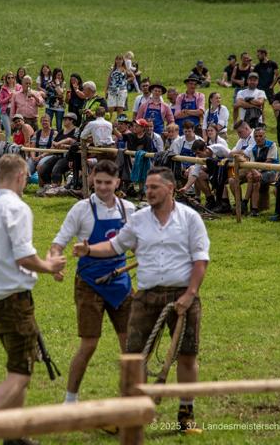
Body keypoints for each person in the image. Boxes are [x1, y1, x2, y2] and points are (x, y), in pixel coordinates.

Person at [72, 166, 209, 432]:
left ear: (170, 188)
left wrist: (190, 294)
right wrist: (89, 249)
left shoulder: (190, 219)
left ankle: (186, 414)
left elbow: (200, 259)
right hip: (146, 296)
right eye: (147, 187)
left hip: (183, 294)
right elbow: (115, 246)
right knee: (134, 357)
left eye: (154, 187)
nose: (148, 192)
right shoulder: (138, 219)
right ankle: (131, 413)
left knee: (187, 355)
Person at [0, 154, 66, 444]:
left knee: (18, 364)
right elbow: (24, 256)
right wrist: (49, 266)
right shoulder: (18, 208)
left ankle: (15, 434)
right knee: (20, 373)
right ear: (21, 176)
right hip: (13, 300)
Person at [49, 160, 135, 404]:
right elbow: (58, 243)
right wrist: (54, 262)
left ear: (118, 182)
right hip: (89, 283)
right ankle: (70, 401)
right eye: (98, 182)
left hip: (121, 282)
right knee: (89, 344)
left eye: (108, 183)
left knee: (130, 346)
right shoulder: (81, 209)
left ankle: (130, 400)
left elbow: (138, 244)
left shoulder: (129, 210)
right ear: (91, 180)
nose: (103, 187)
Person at [235, 127, 279, 217]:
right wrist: (255, 171)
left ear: (265, 136)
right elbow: (252, 163)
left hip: (272, 171)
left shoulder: (272, 145)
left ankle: (245, 202)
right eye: (256, 136)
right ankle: (253, 209)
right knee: (253, 179)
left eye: (260, 136)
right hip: (257, 172)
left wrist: (256, 171)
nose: (258, 138)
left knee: (253, 177)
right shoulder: (253, 148)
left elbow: (269, 162)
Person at [180, 139, 230, 209]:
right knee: (200, 174)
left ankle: (225, 202)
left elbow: (231, 157)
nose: (197, 155)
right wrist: (186, 187)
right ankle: (210, 200)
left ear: (204, 148)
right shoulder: (199, 157)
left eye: (198, 153)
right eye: (196, 153)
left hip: (227, 172)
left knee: (219, 178)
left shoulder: (219, 148)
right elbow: (195, 174)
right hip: (215, 174)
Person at [37, 112, 78, 188]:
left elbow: (74, 143)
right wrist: (57, 145)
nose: (63, 121)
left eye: (65, 119)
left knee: (57, 168)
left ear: (72, 120)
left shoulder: (76, 130)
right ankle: (47, 186)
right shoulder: (62, 131)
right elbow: (54, 142)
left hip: (69, 157)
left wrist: (63, 145)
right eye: (63, 119)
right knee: (43, 168)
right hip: (58, 155)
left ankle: (56, 187)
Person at [105, 55, 134, 120]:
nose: (119, 61)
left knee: (120, 108)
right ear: (115, 60)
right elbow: (108, 80)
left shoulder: (125, 69)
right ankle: (108, 123)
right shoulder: (113, 69)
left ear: (123, 61)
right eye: (117, 59)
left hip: (122, 91)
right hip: (112, 90)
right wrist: (106, 90)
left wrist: (126, 81)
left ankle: (119, 123)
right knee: (110, 108)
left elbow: (133, 76)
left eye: (120, 59)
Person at [0, 72, 22, 140]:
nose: (10, 79)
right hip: (5, 111)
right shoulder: (3, 89)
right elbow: (0, 101)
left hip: (16, 111)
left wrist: (14, 97)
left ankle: (16, 143)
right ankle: (7, 144)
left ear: (14, 78)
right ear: (6, 79)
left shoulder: (19, 87)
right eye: (8, 78)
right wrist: (8, 98)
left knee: (18, 130)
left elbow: (21, 97)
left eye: (12, 77)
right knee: (8, 131)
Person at [44, 68, 66, 133]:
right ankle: (48, 136)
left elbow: (60, 93)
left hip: (60, 107)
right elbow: (49, 95)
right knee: (48, 124)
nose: (59, 76)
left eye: (60, 75)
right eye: (58, 75)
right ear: (54, 75)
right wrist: (58, 93)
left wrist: (57, 84)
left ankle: (59, 137)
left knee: (59, 125)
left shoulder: (63, 83)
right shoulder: (49, 83)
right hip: (50, 106)